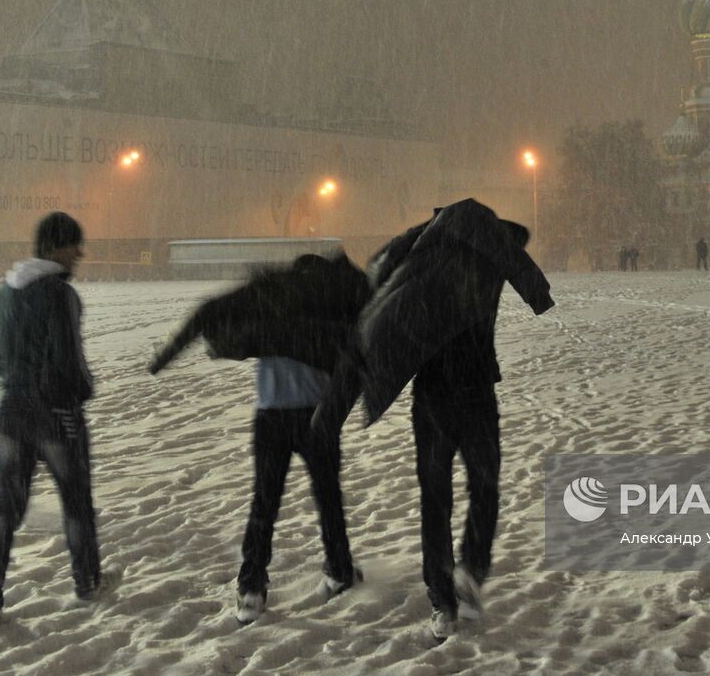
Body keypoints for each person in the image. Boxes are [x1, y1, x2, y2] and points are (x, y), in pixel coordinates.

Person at [314, 199, 553, 642]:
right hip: (477, 388)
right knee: (485, 486)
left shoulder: (419, 258)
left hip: (433, 396)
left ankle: (443, 600)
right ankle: (472, 571)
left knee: (435, 498)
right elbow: (520, 266)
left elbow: (377, 288)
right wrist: (536, 292)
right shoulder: (488, 256)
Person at [0, 212, 112, 631]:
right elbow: (69, 361)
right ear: (57, 248)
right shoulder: (60, 295)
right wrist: (81, 391)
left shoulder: (2, 295)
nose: (80, 254)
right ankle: (87, 583)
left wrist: (20, 382)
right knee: (76, 502)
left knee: (6, 508)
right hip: (57, 416)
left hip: (11, 415)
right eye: (75, 245)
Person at [231, 255, 365, 624]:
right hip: (315, 418)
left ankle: (252, 588)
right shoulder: (331, 317)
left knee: (264, 503)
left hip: (271, 415)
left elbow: (239, 340)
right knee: (328, 497)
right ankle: (339, 569)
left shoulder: (269, 312)